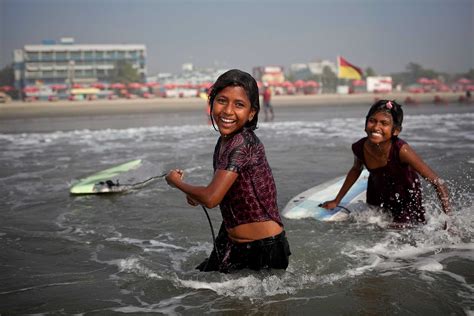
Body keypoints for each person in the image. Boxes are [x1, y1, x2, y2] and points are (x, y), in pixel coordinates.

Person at [166, 69, 291, 273]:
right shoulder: (224, 141)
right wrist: (194, 195)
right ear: (211, 103)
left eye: (239, 104)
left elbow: (212, 198)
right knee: (197, 285)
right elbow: (226, 192)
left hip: (264, 248)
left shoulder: (243, 143)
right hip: (231, 240)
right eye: (222, 100)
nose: (227, 111)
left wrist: (176, 182)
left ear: (252, 113)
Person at [321, 100, 451, 228]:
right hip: (376, 196)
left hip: (405, 200)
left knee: (401, 231)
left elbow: (438, 183)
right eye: (372, 121)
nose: (376, 127)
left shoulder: (401, 150)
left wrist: (449, 224)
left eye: (384, 123)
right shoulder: (359, 147)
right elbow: (356, 169)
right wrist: (336, 200)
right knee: (373, 227)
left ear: (396, 131)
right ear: (365, 124)